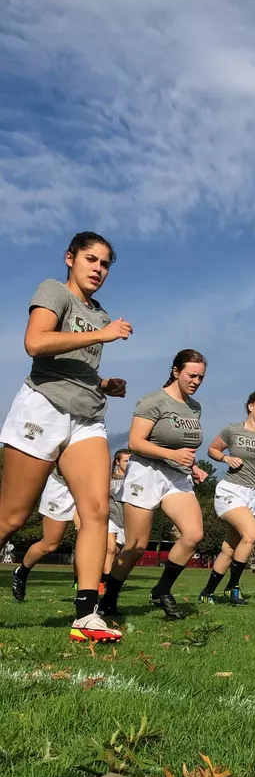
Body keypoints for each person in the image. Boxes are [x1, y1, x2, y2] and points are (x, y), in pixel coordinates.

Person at [0, 231, 131, 642]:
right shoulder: (54, 290)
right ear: (70, 258)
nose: (98, 269)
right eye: (91, 259)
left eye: (105, 263)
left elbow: (74, 362)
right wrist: (101, 335)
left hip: (87, 417)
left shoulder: (99, 312)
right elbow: (35, 342)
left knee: (95, 512)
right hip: (42, 408)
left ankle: (86, 614)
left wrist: (103, 382)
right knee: (13, 517)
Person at [98, 351, 208, 621]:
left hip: (177, 476)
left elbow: (184, 446)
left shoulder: (195, 407)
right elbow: (135, 442)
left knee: (193, 535)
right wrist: (172, 455)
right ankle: (108, 599)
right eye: (191, 375)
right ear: (175, 371)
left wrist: (192, 467)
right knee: (136, 545)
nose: (196, 381)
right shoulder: (153, 401)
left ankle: (162, 590)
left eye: (201, 377)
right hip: (146, 472)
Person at [198, 390, 255, 605]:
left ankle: (206, 593)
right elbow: (212, 449)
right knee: (251, 534)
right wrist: (225, 458)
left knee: (230, 548)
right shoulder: (233, 430)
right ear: (250, 406)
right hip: (231, 490)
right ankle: (233, 587)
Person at [11, 468, 80, 601]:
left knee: (87, 536)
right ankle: (21, 573)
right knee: (50, 544)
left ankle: (83, 590)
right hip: (62, 487)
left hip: (86, 488)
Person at [103, 449, 130, 587]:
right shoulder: (109, 479)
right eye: (126, 461)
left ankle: (103, 576)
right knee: (110, 549)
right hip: (110, 518)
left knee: (118, 553)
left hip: (126, 521)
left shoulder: (133, 479)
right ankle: (105, 584)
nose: (128, 463)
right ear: (117, 462)